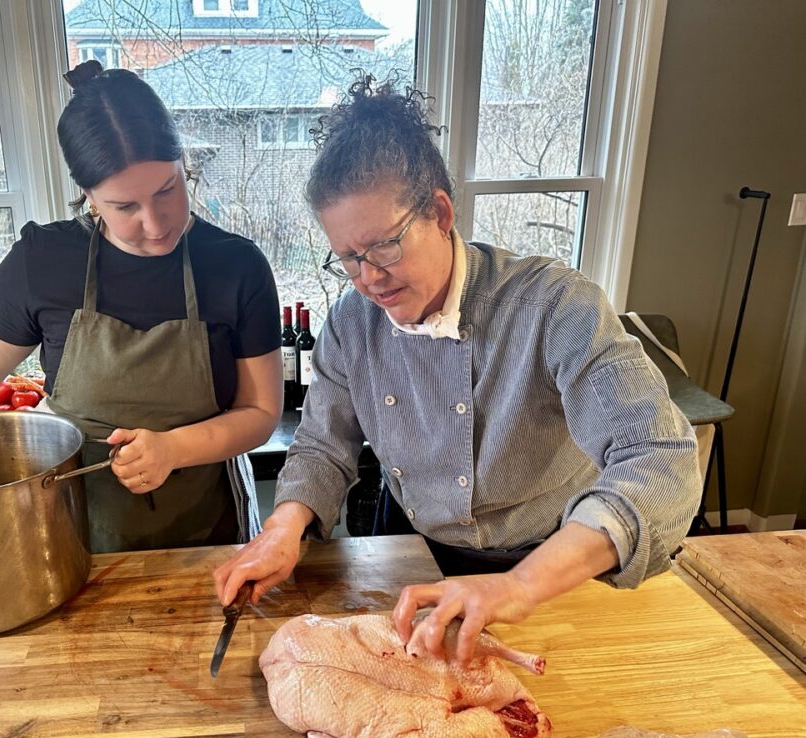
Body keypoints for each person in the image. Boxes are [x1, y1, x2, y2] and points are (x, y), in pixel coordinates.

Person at [213, 76, 701, 663]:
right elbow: (323, 446)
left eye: (384, 248)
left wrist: (519, 585)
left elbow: (659, 458)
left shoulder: (553, 305)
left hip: (551, 568)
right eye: (348, 257)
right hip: (409, 557)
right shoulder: (350, 325)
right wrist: (282, 530)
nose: (368, 278)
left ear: (440, 213)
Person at [0, 60, 283, 553]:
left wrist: (174, 449)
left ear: (183, 164)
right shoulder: (45, 261)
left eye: (168, 190)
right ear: (88, 196)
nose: (155, 223)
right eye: (124, 207)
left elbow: (259, 411)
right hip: (72, 526)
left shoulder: (237, 266)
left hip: (208, 530)